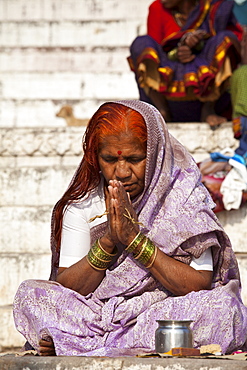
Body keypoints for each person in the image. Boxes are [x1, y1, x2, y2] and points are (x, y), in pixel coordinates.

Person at [13, 100, 247, 357]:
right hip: (99, 315)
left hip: (163, 312)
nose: (121, 172)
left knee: (222, 308)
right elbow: (69, 288)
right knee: (30, 295)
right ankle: (117, 342)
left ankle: (84, 344)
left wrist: (134, 240)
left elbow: (199, 283)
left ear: (156, 154)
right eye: (109, 159)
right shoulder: (83, 206)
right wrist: (109, 240)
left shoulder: (183, 200)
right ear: (95, 158)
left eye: (135, 159)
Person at [128, 0, 243, 128]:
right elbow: (156, 51)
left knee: (225, 39)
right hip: (168, 93)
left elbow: (239, 48)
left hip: (206, 93)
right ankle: (161, 111)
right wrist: (177, 52)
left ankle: (208, 109)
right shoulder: (157, 8)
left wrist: (201, 45)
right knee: (141, 44)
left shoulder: (214, 8)